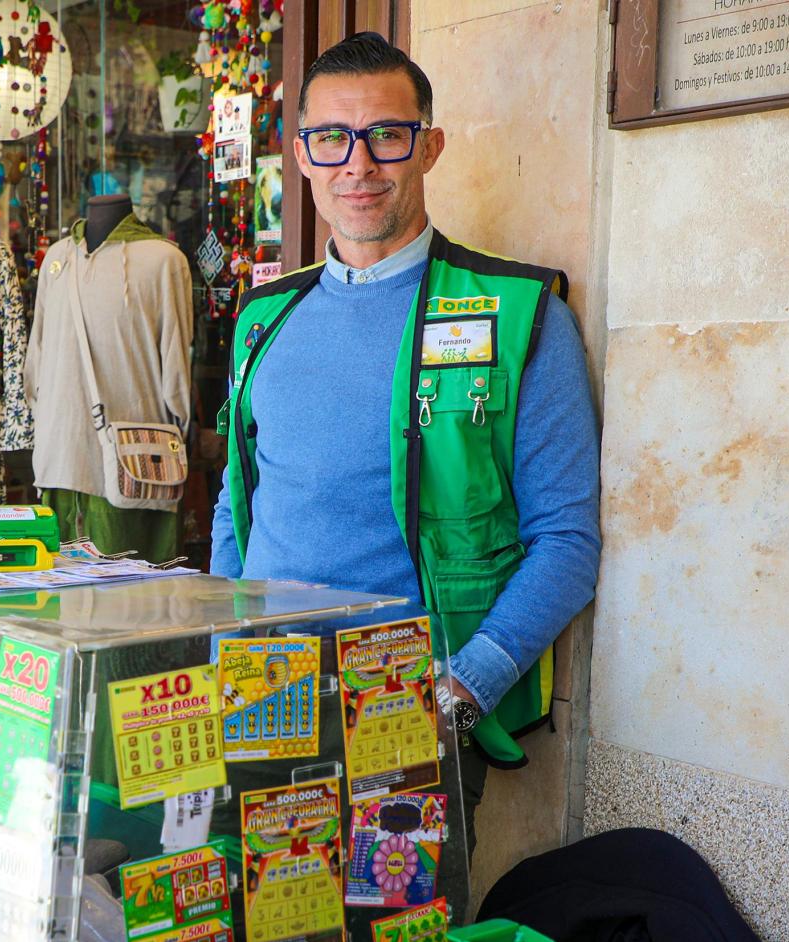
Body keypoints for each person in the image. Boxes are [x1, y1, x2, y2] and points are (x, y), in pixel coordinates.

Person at [211, 32, 601, 830]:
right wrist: (218, 632)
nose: (358, 165)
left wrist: (461, 692)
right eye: (332, 138)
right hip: (256, 694)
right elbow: (237, 503)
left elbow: (567, 539)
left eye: (386, 135)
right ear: (302, 155)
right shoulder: (263, 319)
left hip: (407, 714)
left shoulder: (519, 316)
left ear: (429, 148)